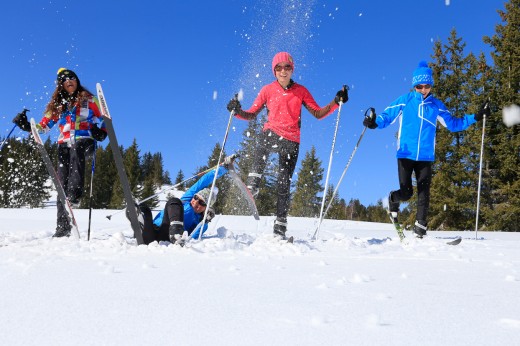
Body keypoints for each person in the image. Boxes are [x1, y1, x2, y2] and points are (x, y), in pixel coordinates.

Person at [226, 51, 348, 239]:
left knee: (284, 183)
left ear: (292, 70)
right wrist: (237, 111)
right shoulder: (267, 90)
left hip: (291, 140)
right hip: (272, 132)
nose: (283, 71)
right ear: (274, 71)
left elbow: (318, 113)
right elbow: (252, 114)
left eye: (287, 67)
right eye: (279, 68)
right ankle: (253, 184)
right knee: (263, 140)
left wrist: (336, 101)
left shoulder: (301, 91)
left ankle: (280, 227)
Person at [363, 60, 489, 238]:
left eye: (427, 86)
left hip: (425, 157)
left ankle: (420, 229)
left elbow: (453, 124)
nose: (423, 90)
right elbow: (386, 116)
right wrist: (374, 122)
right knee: (406, 193)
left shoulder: (436, 106)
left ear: (431, 85)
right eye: (419, 86)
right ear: (414, 86)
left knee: (424, 194)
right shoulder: (405, 101)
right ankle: (393, 198)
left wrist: (476, 116)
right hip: (406, 154)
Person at [13, 68, 107, 237]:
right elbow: (43, 126)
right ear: (61, 85)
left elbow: (106, 118)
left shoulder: (90, 100)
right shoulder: (58, 105)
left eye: (72, 77)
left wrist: (103, 132)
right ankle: (62, 227)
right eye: (65, 79)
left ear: (77, 81)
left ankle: (75, 193)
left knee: (77, 150)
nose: (69, 80)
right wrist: (26, 125)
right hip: (64, 144)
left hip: (85, 139)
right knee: (61, 182)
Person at [137, 155, 237, 246]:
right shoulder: (186, 200)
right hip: (154, 230)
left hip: (167, 238)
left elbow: (193, 237)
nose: (196, 202)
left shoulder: (200, 222)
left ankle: (176, 233)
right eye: (196, 197)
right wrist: (224, 168)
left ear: (206, 208)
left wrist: (204, 222)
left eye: (202, 202)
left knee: (175, 203)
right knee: (149, 209)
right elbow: (204, 180)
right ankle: (137, 218)